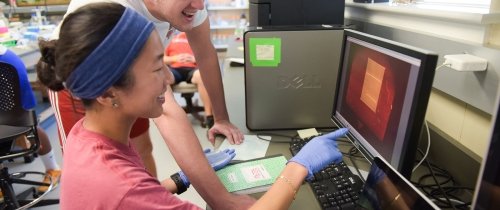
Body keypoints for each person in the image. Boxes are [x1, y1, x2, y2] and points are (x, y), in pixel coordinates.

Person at [36, 3, 348, 209]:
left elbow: (124, 193)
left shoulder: (89, 135)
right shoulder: (109, 14)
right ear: (108, 91)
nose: (170, 77)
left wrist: (176, 181)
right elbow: (125, 194)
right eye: (159, 67)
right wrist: (297, 169)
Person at [0, 45, 61, 194]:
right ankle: (53, 168)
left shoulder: (6, 60)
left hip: (16, 115)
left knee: (28, 125)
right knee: (30, 125)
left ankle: (53, 169)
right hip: (19, 114)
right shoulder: (9, 56)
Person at [164, 32, 214, 128]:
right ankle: (170, 117)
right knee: (165, 78)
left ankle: (209, 117)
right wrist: (176, 58)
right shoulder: (169, 38)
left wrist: (195, 59)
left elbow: (207, 57)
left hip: (192, 69)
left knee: (201, 75)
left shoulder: (196, 38)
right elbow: (162, 58)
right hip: (174, 69)